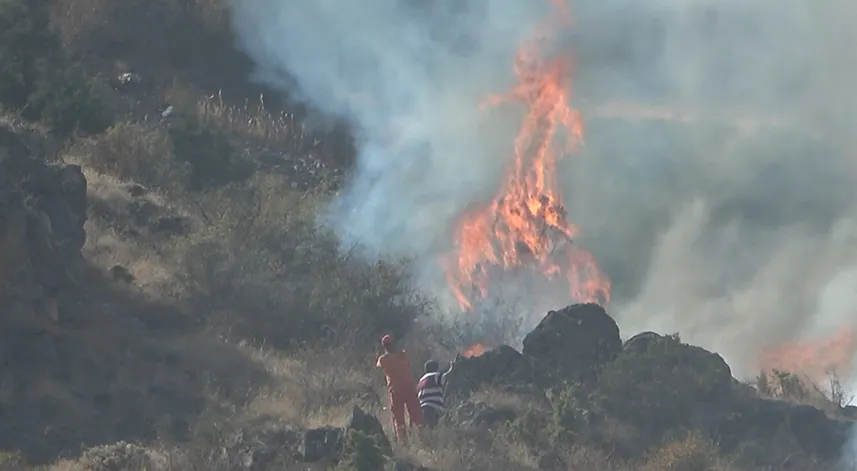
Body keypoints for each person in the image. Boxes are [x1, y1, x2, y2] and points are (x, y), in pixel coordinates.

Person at [376, 334, 422, 441]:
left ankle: (403, 441)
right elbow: (409, 364)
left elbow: (378, 366)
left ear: (384, 346)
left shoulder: (383, 359)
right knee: (416, 414)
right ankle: (423, 437)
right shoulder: (403, 355)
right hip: (409, 387)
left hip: (395, 390)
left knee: (398, 417)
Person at [417, 354, 459, 428]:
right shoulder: (435, 375)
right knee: (434, 427)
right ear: (436, 368)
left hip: (422, 409)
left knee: (425, 430)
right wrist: (452, 367)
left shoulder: (421, 380)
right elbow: (447, 377)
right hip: (433, 408)